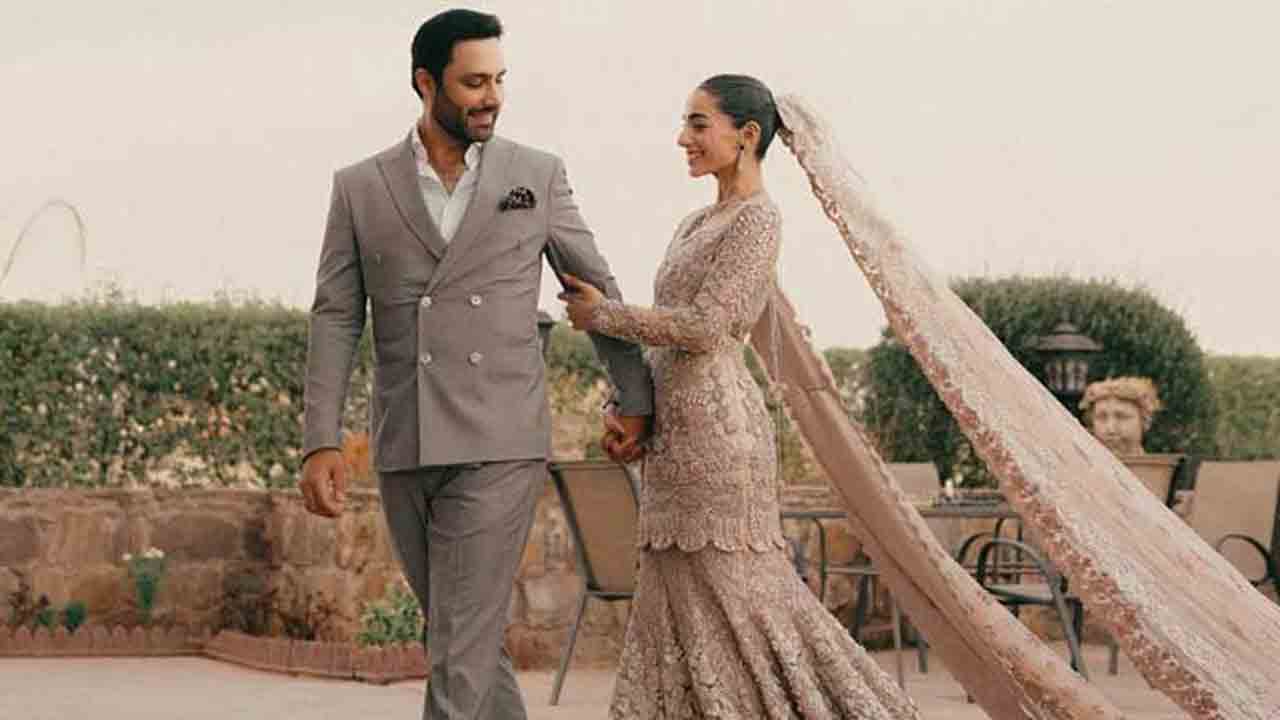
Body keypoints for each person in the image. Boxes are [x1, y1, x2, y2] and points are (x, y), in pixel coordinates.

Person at [298, 9, 654, 719]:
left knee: (458, 648)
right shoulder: (360, 187)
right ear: (426, 83)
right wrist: (320, 439)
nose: (491, 97)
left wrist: (635, 397)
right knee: (465, 640)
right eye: (473, 83)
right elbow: (336, 314)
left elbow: (595, 287)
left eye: (498, 80)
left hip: (499, 439)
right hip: (406, 440)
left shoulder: (536, 175)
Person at [561, 74, 919, 719]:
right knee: (673, 597)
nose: (683, 138)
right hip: (674, 437)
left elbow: (709, 327)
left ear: (747, 135)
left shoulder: (759, 219)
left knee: (736, 599)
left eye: (698, 124)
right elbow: (670, 339)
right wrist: (629, 412)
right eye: (685, 123)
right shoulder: (694, 222)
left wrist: (604, 315)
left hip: (721, 442)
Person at [1079, 376, 1162, 456]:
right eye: (1102, 417)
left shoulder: (1162, 465)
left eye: (1122, 417)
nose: (1111, 429)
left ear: (1144, 421)